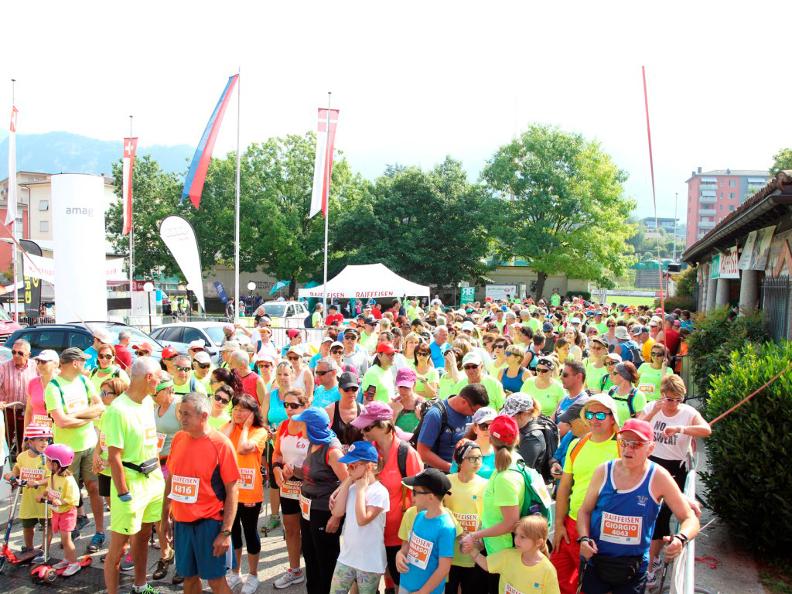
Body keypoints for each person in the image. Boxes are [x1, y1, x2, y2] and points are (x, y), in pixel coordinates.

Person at [576, 419, 700, 594]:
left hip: (633, 567)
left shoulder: (659, 477)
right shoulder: (603, 471)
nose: (628, 449)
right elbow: (584, 511)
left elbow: (689, 518)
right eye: (624, 442)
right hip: (596, 560)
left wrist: (681, 538)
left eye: (636, 444)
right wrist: (583, 538)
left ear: (651, 448)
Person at [163, 392, 240, 594]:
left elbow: (233, 490)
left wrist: (225, 532)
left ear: (204, 416)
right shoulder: (179, 438)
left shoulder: (221, 444)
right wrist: (165, 518)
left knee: (216, 581)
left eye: (187, 414)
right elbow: (171, 479)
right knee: (188, 579)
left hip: (210, 524)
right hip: (182, 524)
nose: (181, 418)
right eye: (181, 413)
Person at [102, 356, 166, 594]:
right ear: (149, 377)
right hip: (130, 484)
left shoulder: (148, 402)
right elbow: (114, 456)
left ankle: (140, 585)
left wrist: (158, 477)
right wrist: (123, 492)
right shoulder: (117, 410)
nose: (160, 382)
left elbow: (151, 442)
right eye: (158, 378)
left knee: (143, 536)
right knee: (119, 547)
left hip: (152, 479)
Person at [638, 375, 711, 584]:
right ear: (662, 395)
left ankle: (651, 564)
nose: (674, 404)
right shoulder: (652, 407)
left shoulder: (688, 413)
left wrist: (681, 429)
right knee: (645, 511)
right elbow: (634, 427)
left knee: (662, 516)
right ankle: (645, 557)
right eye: (670, 399)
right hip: (650, 465)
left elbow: (706, 429)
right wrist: (653, 412)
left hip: (674, 469)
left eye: (679, 399)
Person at [551, 394, 620, 594]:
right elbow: (564, 487)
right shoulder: (577, 444)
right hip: (571, 524)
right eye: (590, 414)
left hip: (601, 529)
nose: (594, 419)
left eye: (601, 415)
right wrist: (559, 524)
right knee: (556, 579)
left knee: (591, 585)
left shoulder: (622, 446)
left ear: (613, 417)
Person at [353, 401, 424, 590]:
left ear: (384, 427)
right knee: (366, 585)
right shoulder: (368, 451)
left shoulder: (407, 454)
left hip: (397, 534)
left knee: (400, 582)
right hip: (370, 532)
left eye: (367, 427)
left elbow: (420, 498)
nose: (362, 431)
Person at [44, 348, 106, 546]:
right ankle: (69, 531)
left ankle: (99, 531)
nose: (87, 364)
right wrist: (88, 417)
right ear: (75, 363)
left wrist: (76, 417)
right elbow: (62, 422)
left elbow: (100, 407)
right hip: (66, 451)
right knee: (69, 492)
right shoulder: (53, 387)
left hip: (89, 444)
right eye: (84, 361)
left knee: (94, 488)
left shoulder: (84, 381)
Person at [460, 415, 527, 593]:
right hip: (497, 549)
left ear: (490, 439)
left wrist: (475, 535)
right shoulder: (515, 460)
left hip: (503, 552)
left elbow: (510, 523)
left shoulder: (505, 477)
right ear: (517, 439)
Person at [293, 407, 349, 594]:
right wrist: (293, 470)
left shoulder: (332, 450)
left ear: (312, 427)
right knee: (310, 556)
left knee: (326, 561)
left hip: (324, 511)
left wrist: (337, 516)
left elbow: (348, 483)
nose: (299, 427)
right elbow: (312, 474)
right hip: (308, 508)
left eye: (302, 424)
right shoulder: (313, 442)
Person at [221, 394, 269, 594]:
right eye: (235, 408)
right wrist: (233, 423)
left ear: (252, 413)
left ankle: (254, 575)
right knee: (233, 533)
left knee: (250, 532)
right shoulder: (229, 427)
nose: (238, 412)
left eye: (243, 409)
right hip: (229, 491)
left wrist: (247, 427)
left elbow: (242, 448)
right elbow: (219, 441)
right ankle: (235, 572)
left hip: (249, 492)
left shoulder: (259, 432)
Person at [329, 440, 390, 594]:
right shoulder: (352, 487)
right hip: (347, 557)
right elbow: (337, 512)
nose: (348, 469)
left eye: (353, 466)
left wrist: (361, 491)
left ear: (369, 466)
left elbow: (362, 520)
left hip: (369, 562)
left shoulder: (379, 492)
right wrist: (349, 480)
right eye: (348, 466)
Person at [271, 388, 312, 589]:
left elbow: (322, 457)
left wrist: (297, 470)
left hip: (309, 486)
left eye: (294, 405)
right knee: (291, 528)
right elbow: (277, 453)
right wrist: (276, 469)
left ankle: (315, 572)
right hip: (287, 485)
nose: (289, 409)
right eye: (285, 405)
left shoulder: (313, 426)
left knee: (309, 531)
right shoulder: (283, 426)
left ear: (306, 406)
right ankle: (295, 570)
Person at [395, 468, 456, 594]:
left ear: (430, 497)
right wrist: (400, 554)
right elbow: (409, 545)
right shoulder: (419, 516)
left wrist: (422, 592)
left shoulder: (446, 528)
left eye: (415, 492)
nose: (412, 496)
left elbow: (444, 569)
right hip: (405, 584)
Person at [470, 515, 560, 594]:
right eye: (516, 535)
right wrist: (471, 550)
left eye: (522, 537)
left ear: (538, 542)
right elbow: (487, 564)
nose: (516, 540)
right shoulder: (508, 555)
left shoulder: (547, 570)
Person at [444, 440, 489, 594]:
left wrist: (481, 542)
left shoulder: (486, 485)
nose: (477, 462)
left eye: (479, 457)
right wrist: (458, 531)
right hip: (449, 552)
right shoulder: (447, 482)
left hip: (474, 553)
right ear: (460, 461)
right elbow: (441, 511)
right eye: (472, 458)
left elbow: (488, 518)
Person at [3, 423, 52, 560]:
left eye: (46, 439)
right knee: (27, 525)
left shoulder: (48, 458)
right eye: (41, 439)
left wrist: (37, 482)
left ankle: (45, 549)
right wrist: (11, 475)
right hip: (28, 499)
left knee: (47, 525)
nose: (45, 443)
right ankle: (29, 548)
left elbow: (52, 478)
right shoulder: (22, 456)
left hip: (44, 498)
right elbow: (17, 468)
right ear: (30, 441)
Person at [416, 384, 489, 472]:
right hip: (442, 474)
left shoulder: (472, 414)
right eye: (474, 411)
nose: (475, 415)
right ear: (463, 402)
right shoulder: (435, 414)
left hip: (467, 472)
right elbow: (423, 453)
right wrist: (453, 469)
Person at [40, 443, 82, 575]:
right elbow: (49, 488)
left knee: (66, 540)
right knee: (63, 539)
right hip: (57, 511)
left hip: (67, 513)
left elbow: (74, 498)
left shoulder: (68, 480)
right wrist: (43, 494)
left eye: (49, 460)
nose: (46, 463)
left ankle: (74, 563)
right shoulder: (53, 476)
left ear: (57, 463)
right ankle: (67, 559)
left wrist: (61, 501)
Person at [0, 338, 38, 456]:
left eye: (20, 353)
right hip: (8, 411)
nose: (16, 355)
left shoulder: (35, 367)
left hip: (27, 411)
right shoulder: (4, 367)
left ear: (28, 355)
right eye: (13, 352)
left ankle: (23, 463)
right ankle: (6, 463)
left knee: (26, 441)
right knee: (4, 441)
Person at [502, 393, 547, 473]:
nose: (507, 420)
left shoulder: (533, 438)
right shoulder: (520, 426)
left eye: (511, 416)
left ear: (524, 414)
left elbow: (520, 469)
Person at [450, 407, 496, 478]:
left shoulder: (501, 452)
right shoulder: (463, 449)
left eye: (493, 426)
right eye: (483, 426)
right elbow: (454, 476)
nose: (488, 430)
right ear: (475, 428)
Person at [24, 349, 59, 430]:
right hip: (36, 434)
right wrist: (25, 435)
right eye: (38, 361)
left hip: (57, 433)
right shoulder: (32, 383)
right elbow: (28, 411)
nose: (39, 365)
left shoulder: (62, 384)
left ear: (55, 364)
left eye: (43, 361)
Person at [326, 371, 363, 446]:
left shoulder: (363, 410)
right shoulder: (330, 410)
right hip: (336, 452)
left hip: (358, 452)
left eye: (354, 389)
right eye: (347, 389)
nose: (351, 392)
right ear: (339, 390)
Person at [391, 367, 423, 435]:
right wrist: (395, 413)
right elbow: (387, 433)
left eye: (406, 387)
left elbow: (427, 431)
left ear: (414, 385)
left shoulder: (422, 404)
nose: (402, 390)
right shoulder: (394, 403)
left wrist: (421, 419)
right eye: (400, 386)